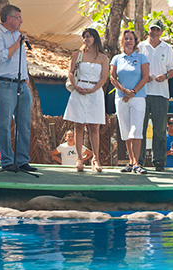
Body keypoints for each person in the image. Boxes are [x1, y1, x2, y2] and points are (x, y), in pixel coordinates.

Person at [0, 4, 36, 172]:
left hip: (21, 84)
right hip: (4, 84)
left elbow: (18, 60)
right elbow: (1, 57)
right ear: (9, 18)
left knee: (24, 124)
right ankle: (7, 161)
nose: (21, 21)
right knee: (4, 123)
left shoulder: (17, 36)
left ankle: (22, 161)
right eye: (18, 17)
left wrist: (25, 76)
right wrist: (18, 43)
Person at [63, 28, 109, 172]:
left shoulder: (103, 57)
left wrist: (94, 89)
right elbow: (71, 72)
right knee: (78, 126)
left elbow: (104, 77)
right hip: (79, 89)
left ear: (95, 38)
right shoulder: (78, 55)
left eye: (89, 36)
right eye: (84, 37)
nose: (86, 39)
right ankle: (79, 158)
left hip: (95, 92)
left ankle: (96, 159)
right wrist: (76, 86)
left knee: (94, 127)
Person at [138, 19, 173, 171]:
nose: (154, 32)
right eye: (152, 29)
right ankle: (138, 161)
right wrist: (143, 77)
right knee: (140, 128)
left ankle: (159, 161)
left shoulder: (167, 48)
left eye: (157, 30)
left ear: (162, 32)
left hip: (161, 93)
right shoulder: (140, 46)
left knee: (160, 129)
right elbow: (135, 67)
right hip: (142, 93)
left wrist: (165, 76)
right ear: (148, 30)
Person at [110, 30, 150, 174]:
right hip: (121, 98)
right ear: (122, 41)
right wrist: (124, 91)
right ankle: (131, 162)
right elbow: (112, 78)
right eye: (126, 38)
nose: (128, 41)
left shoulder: (141, 57)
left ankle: (137, 163)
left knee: (136, 131)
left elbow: (145, 77)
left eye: (131, 38)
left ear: (135, 41)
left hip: (138, 98)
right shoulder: (116, 58)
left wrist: (132, 92)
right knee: (126, 131)